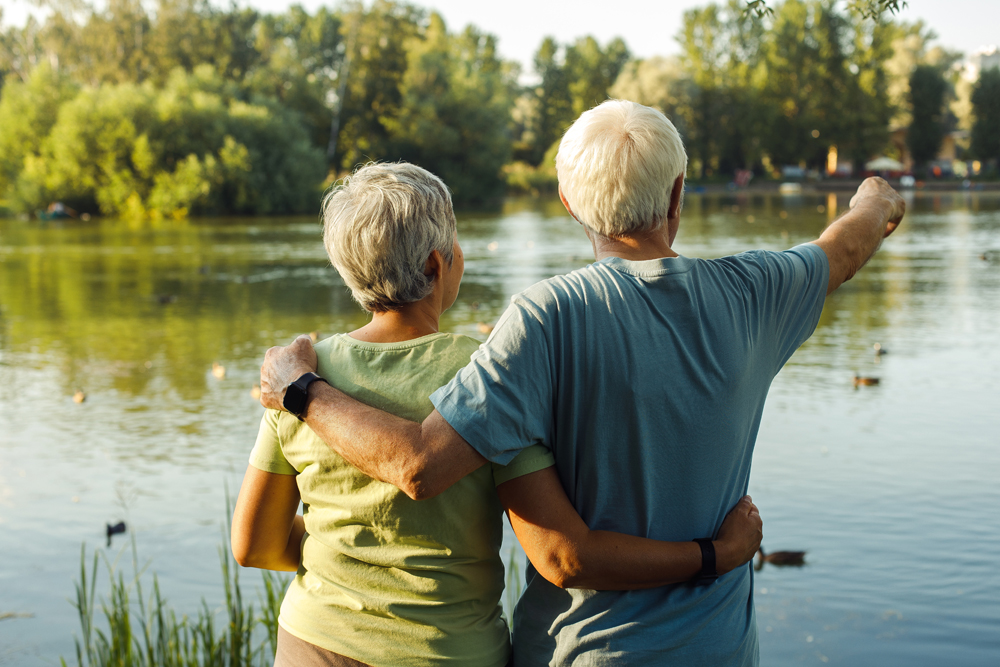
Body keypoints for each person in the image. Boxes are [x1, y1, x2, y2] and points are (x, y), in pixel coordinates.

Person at [259, 101, 905, 665]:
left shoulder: (544, 319)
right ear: (678, 193)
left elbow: (422, 463)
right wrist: (876, 201)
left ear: (570, 204)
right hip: (719, 651)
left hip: (580, 651)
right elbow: (844, 248)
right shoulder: (755, 292)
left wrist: (300, 388)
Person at [232, 162, 764, 667]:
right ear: (438, 264)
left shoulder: (297, 374)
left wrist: (337, 542)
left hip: (311, 645)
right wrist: (714, 554)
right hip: (448, 653)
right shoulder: (487, 373)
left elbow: (253, 544)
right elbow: (562, 554)